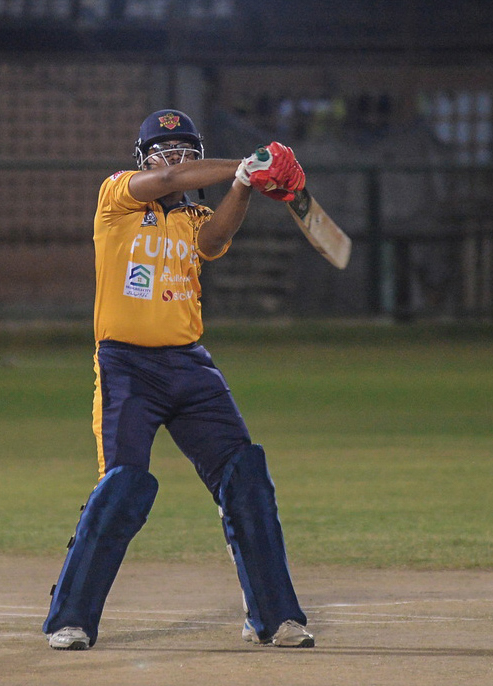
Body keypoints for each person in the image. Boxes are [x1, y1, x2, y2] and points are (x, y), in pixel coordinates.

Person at [42, 110, 314, 650]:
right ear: (143, 160)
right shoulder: (117, 196)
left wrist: (243, 184)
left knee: (246, 477)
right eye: (164, 152)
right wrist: (249, 163)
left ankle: (273, 616)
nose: (176, 160)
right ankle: (70, 618)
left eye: (187, 151)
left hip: (190, 366)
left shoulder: (193, 217)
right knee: (123, 486)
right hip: (127, 367)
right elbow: (169, 181)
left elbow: (213, 242)